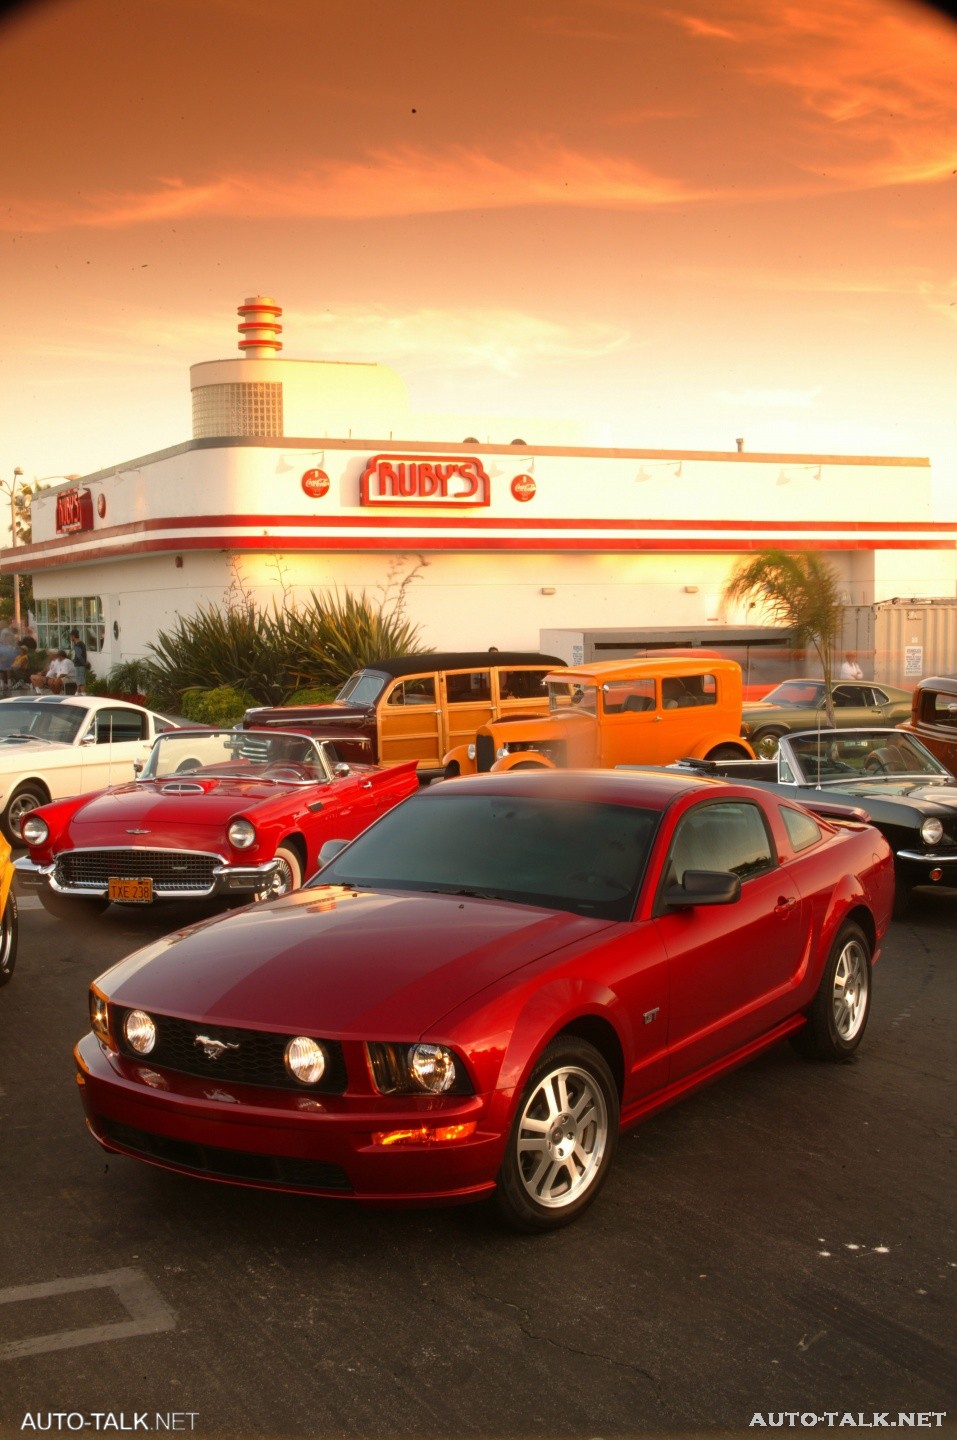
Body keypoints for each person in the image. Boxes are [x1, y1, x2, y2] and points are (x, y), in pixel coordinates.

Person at [69, 627, 88, 694]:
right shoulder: (81, 644)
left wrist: (84, 663)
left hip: (79, 665)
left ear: (73, 636)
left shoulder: (77, 645)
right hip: (80, 664)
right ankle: (77, 693)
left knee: (80, 681)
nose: (70, 638)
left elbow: (79, 656)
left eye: (71, 636)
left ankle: (83, 694)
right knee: (79, 680)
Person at [0, 629, 17, 696]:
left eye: (8, 636)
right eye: (5, 636)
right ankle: (2, 684)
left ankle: (9, 683)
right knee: (1, 669)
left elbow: (13, 652)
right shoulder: (1, 644)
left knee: (8, 669)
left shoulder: (11, 644)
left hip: (9, 660)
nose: (7, 637)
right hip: (2, 660)